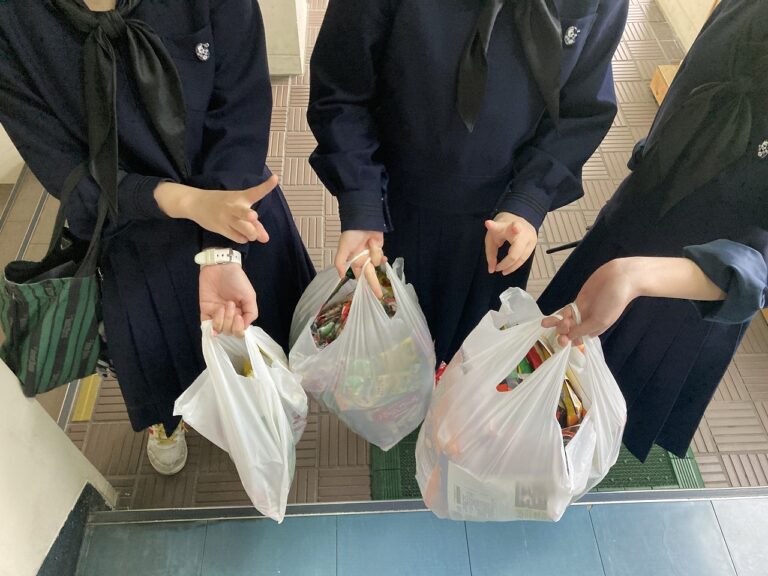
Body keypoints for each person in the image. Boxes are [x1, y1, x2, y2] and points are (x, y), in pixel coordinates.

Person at [0, 0, 314, 474]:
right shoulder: (11, 23)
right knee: (155, 356)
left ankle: (266, 395)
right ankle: (168, 421)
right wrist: (182, 201)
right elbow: (66, 173)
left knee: (258, 328)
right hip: (125, 227)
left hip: (230, 196)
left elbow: (241, 109)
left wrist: (220, 246)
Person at [307, 0, 630, 364]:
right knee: (383, 355)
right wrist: (361, 197)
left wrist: (530, 198)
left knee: (471, 356)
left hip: (501, 222)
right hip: (391, 205)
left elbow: (582, 110)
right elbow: (341, 91)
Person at [539, 0, 768, 462]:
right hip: (631, 224)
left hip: (694, 293)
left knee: (604, 415)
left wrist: (636, 276)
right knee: (547, 369)